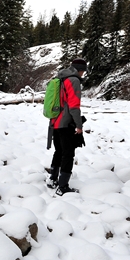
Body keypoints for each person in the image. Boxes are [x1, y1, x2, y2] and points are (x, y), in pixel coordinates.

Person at [47, 58, 86, 195]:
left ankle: (53, 179)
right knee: (68, 154)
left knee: (59, 151)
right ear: (80, 70)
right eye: (83, 71)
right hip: (66, 123)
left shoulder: (60, 78)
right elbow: (74, 106)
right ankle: (63, 186)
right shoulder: (74, 80)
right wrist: (79, 125)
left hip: (55, 121)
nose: (83, 74)